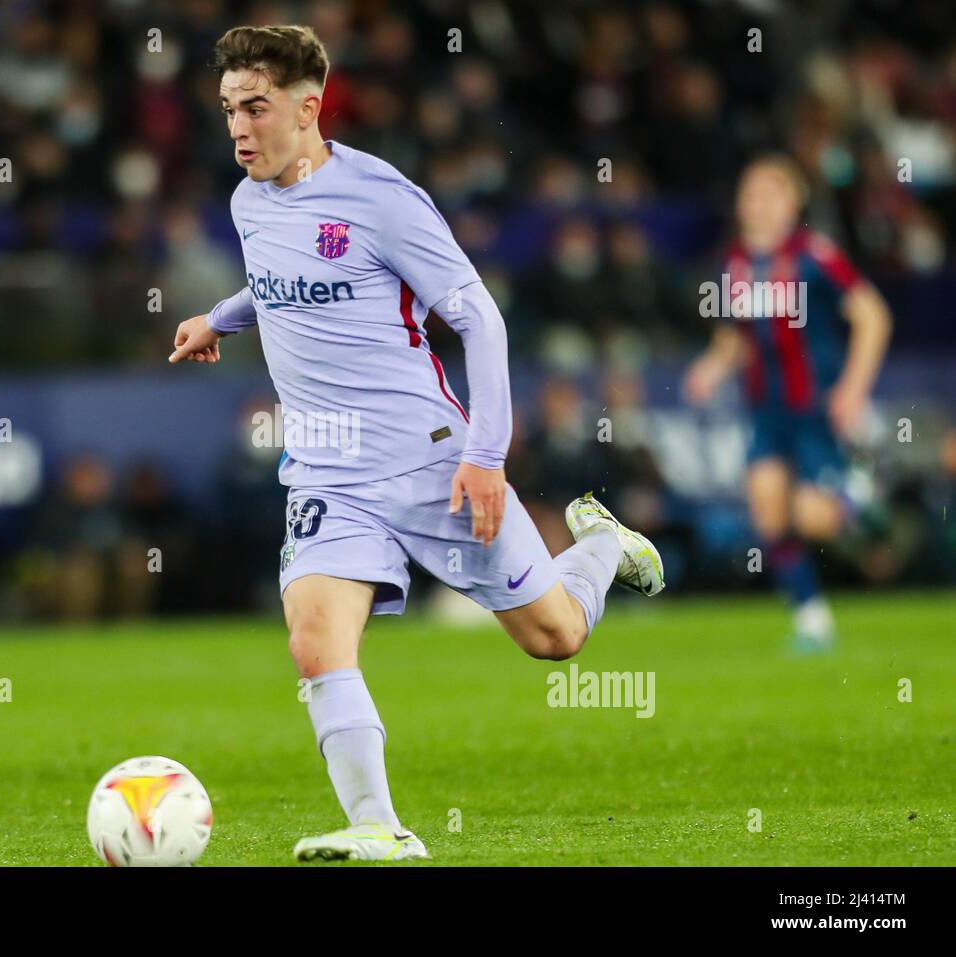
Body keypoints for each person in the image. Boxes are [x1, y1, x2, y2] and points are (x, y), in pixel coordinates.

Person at [168, 25, 664, 862]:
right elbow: (279, 282)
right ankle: (377, 824)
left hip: (431, 460)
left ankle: (604, 546)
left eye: (255, 108)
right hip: (327, 470)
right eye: (227, 111)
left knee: (555, 638)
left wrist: (486, 454)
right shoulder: (247, 203)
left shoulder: (382, 197)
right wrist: (218, 317)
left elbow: (480, 317)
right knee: (314, 640)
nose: (239, 129)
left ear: (308, 108)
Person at [685, 155, 892, 652]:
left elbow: (873, 316)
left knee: (812, 516)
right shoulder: (733, 263)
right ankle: (812, 620)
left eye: (769, 194)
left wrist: (854, 388)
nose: (757, 204)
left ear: (792, 201)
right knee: (768, 514)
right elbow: (735, 336)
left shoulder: (814, 256)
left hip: (814, 410)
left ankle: (861, 496)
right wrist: (712, 367)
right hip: (764, 411)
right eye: (750, 194)